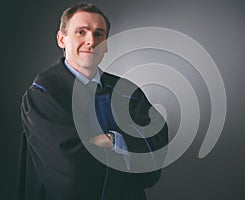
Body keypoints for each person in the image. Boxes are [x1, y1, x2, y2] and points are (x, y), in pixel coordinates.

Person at [17, 2, 168, 200]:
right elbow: (68, 165)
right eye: (81, 32)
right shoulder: (43, 94)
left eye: (99, 34)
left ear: (106, 44)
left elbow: (156, 140)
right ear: (62, 39)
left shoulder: (125, 91)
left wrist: (111, 140)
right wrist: (125, 149)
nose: (91, 41)